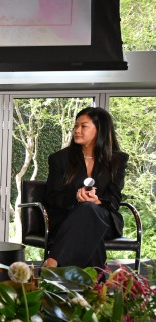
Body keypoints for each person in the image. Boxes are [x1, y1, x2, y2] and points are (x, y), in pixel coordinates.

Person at [43, 107, 128, 269]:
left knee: (90, 209)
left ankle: (53, 260)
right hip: (69, 219)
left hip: (105, 218)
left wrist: (98, 200)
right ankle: (97, 282)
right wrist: (75, 197)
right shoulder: (59, 159)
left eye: (83, 126)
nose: (77, 130)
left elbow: (114, 197)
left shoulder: (117, 160)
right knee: (90, 230)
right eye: (76, 126)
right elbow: (51, 196)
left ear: (100, 130)